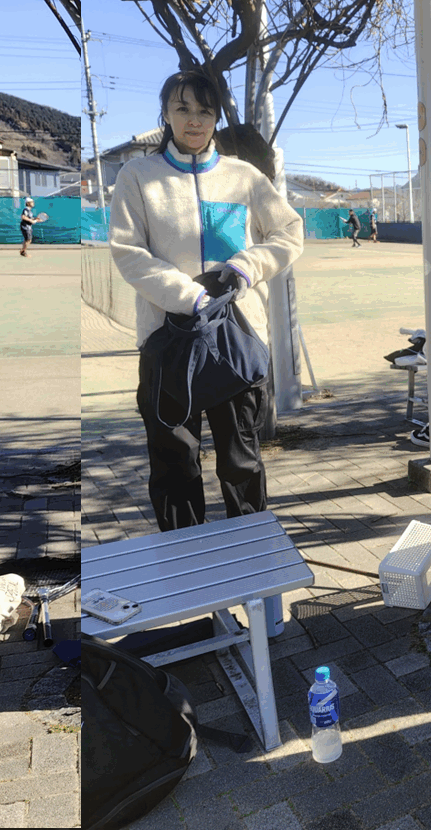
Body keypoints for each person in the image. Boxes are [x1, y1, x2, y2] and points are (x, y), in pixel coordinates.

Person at [110, 68, 303, 532]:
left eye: (204, 110)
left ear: (216, 117)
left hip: (237, 340)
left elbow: (289, 231)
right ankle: (184, 560)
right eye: (182, 109)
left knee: (241, 461)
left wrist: (246, 266)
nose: (194, 120)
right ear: (166, 114)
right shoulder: (137, 176)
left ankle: (251, 552)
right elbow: (127, 251)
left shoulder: (244, 177)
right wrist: (189, 295)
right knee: (174, 465)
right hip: (168, 342)